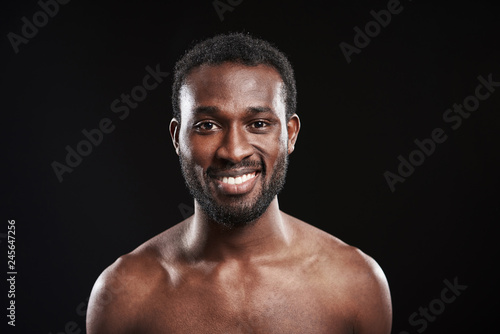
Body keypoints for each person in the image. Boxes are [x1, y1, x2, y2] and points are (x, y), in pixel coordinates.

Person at [86, 32, 392, 334]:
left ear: (291, 134)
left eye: (258, 124)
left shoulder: (356, 283)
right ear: (177, 138)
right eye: (208, 126)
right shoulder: (123, 294)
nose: (234, 151)